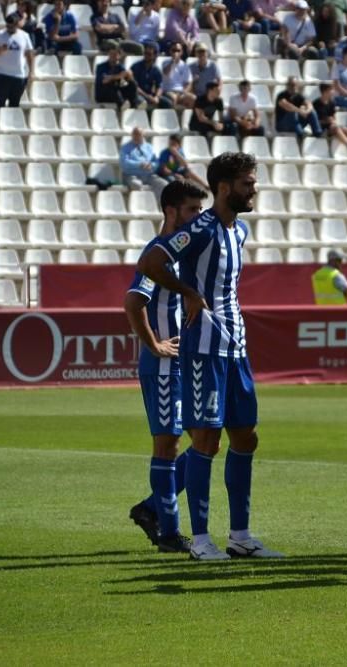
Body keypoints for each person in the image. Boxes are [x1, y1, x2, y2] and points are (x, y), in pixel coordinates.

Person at [138, 152, 283, 561]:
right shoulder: (200, 228)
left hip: (236, 346)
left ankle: (241, 535)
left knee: (246, 436)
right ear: (224, 187)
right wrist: (188, 292)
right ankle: (201, 540)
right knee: (206, 439)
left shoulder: (239, 233)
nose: (254, 189)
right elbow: (151, 261)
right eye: (247, 183)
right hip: (202, 349)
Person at [126, 180, 207, 553]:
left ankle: (152, 508)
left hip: (184, 364)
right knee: (168, 443)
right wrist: (154, 344)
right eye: (191, 210)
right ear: (170, 211)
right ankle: (170, 533)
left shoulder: (181, 254)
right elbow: (134, 301)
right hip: (162, 367)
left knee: (208, 436)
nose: (197, 218)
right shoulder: (157, 254)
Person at [0, 13, 35, 113]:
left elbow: (29, 54)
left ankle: (11, 125)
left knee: (14, 105)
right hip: (1, 75)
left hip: (18, 76)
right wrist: (0, 50)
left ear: (17, 24)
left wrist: (31, 72)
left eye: (11, 26)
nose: (9, 28)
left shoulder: (24, 36)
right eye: (7, 25)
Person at [120, 127, 166, 195]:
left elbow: (156, 162)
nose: (136, 136)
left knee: (164, 184)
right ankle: (142, 204)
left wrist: (151, 165)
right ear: (132, 135)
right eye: (134, 134)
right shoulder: (125, 148)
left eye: (138, 134)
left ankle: (159, 204)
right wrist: (140, 164)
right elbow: (124, 163)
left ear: (143, 136)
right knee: (136, 185)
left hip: (149, 175)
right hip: (132, 176)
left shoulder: (149, 147)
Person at [313, 82, 347, 147]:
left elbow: (333, 117)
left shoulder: (332, 102)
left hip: (331, 126)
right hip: (321, 129)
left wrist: (333, 121)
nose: (333, 92)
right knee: (336, 128)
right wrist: (327, 121)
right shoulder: (316, 104)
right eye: (331, 90)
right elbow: (315, 121)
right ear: (325, 91)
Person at [159, 42, 195, 109]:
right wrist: (172, 62)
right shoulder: (165, 63)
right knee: (173, 98)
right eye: (174, 50)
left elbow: (189, 83)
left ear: (181, 52)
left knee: (193, 99)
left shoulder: (185, 66)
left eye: (178, 50)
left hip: (180, 93)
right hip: (168, 91)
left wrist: (184, 92)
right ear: (170, 51)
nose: (176, 52)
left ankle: (187, 118)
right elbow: (165, 73)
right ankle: (173, 117)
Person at [132, 41, 164, 111]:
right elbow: (134, 87)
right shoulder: (135, 67)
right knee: (142, 103)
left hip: (150, 95)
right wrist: (147, 97)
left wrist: (157, 97)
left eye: (149, 54)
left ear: (155, 56)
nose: (146, 56)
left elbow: (160, 86)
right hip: (138, 95)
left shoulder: (156, 70)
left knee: (168, 104)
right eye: (145, 53)